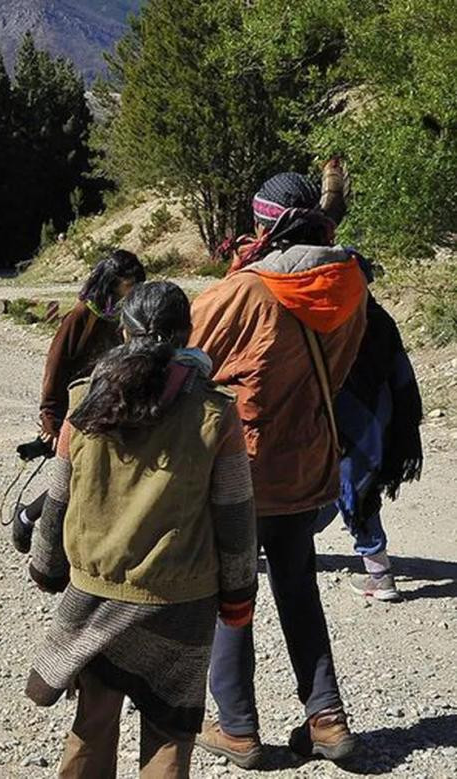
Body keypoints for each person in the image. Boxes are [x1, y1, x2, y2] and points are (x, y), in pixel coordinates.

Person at [26, 281, 258, 779]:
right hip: (183, 605)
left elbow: (60, 498)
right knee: (170, 735)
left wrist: (47, 569)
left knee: (92, 721)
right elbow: (235, 516)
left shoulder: (85, 403)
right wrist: (238, 599)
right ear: (186, 335)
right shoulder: (216, 413)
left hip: (95, 598)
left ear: (124, 332)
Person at [191, 169, 369, 767]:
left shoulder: (244, 290)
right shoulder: (350, 285)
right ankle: (326, 719)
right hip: (309, 460)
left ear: (266, 223)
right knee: (298, 587)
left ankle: (237, 726)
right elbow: (338, 378)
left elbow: (184, 360)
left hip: (243, 466)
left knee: (232, 592)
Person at [12, 250, 147, 554]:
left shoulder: (127, 316)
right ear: (114, 281)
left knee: (101, 477)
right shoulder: (80, 317)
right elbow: (54, 370)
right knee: (77, 478)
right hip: (79, 410)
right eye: (130, 281)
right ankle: (29, 520)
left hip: (114, 407)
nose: (135, 286)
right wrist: (50, 418)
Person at [315, 276, 424, 602]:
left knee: (350, 489)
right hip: (380, 414)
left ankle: (380, 575)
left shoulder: (325, 321)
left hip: (347, 419)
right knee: (349, 487)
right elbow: (400, 372)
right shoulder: (375, 316)